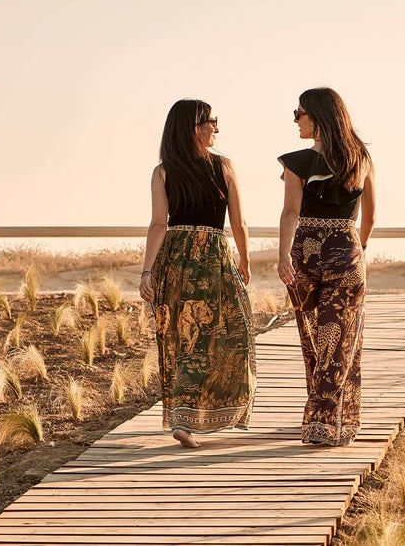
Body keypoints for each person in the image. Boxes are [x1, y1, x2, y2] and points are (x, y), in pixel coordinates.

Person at [139, 99, 255, 449]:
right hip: (214, 258)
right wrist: (245, 261)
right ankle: (194, 416)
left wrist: (148, 271)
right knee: (233, 333)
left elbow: (160, 224)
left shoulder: (162, 171)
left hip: (175, 259)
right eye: (212, 121)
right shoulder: (224, 167)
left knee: (182, 337)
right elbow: (239, 222)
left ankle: (183, 416)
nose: (216, 127)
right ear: (195, 127)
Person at [277, 87, 375, 446]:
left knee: (316, 339)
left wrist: (283, 255)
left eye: (299, 113)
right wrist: (357, 249)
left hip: (305, 254)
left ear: (318, 116)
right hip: (347, 253)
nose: (296, 119)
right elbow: (371, 214)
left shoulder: (296, 163)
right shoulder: (361, 158)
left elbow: (290, 212)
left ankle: (321, 419)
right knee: (341, 338)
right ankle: (333, 420)